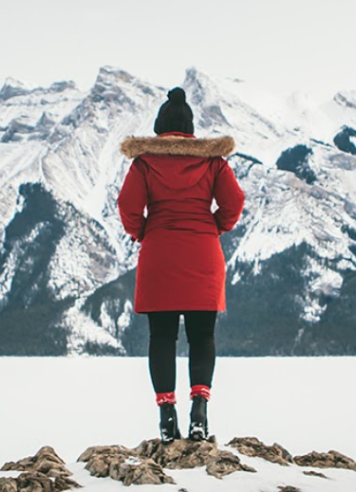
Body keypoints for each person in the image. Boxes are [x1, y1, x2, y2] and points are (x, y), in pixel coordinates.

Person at [117, 86, 245, 444]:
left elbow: (128, 206)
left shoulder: (144, 163)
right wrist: (216, 226)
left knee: (161, 337)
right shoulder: (214, 162)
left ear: (159, 129)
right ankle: (200, 409)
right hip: (204, 255)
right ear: (190, 129)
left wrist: (143, 232)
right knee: (203, 336)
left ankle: (166, 413)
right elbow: (234, 201)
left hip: (159, 255)